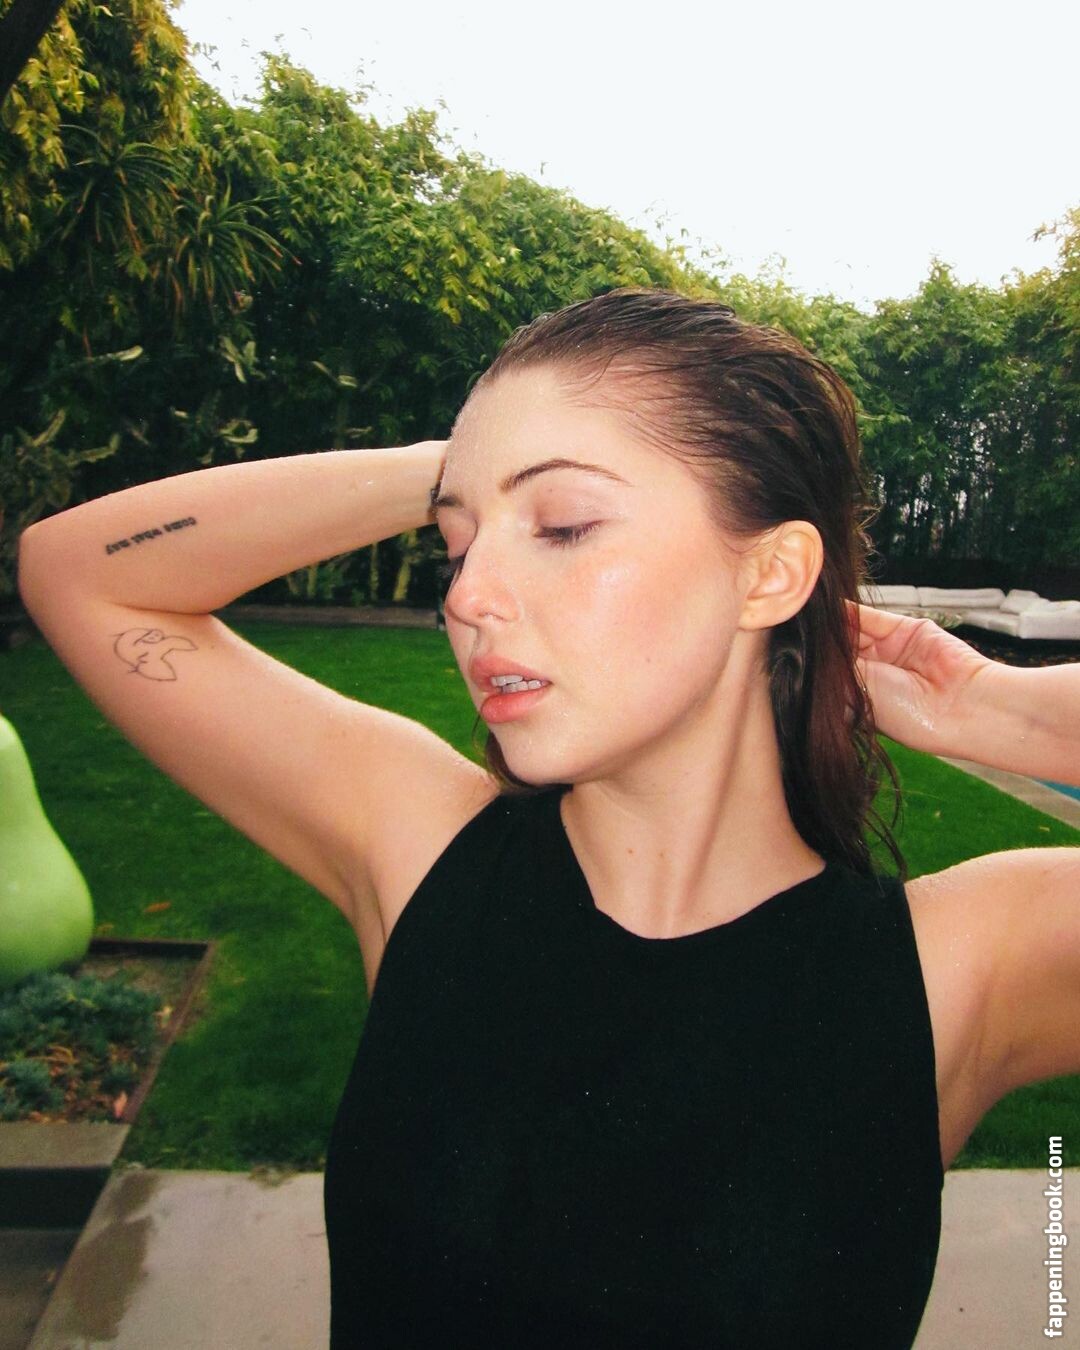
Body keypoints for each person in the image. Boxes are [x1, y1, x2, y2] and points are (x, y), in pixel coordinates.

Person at [16, 287, 1080, 1349]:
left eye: (563, 525)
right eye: (457, 543)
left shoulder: (960, 969)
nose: (467, 595)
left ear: (769, 574)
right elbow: (79, 573)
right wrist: (462, 469)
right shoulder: (422, 854)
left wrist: (1003, 711)